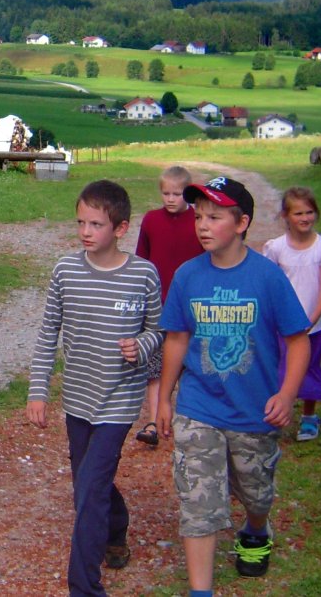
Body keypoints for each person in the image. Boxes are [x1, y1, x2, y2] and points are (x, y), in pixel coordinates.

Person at [154, 176, 311, 594]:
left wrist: (287, 393)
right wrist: (165, 397)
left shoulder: (267, 277)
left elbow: (298, 341)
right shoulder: (188, 276)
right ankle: (200, 591)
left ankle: (256, 531)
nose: (202, 225)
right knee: (199, 502)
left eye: (215, 217)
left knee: (255, 492)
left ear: (241, 223)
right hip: (198, 405)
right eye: (199, 216)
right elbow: (177, 337)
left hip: (254, 410)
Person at [25, 180, 163, 597]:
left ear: (120, 228)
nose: (86, 231)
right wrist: (38, 391)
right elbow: (49, 332)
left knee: (87, 495)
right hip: (78, 399)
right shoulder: (65, 270)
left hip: (119, 401)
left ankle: (84, 587)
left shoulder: (143, 274)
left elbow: (159, 329)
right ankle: (116, 527)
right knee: (88, 483)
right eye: (81, 222)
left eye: (96, 224)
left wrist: (140, 345)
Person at [133, 165, 205, 446]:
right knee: (154, 365)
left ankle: (188, 419)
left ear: (187, 193)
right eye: (166, 193)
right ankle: (152, 421)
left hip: (191, 305)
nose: (171, 199)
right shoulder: (151, 220)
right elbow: (142, 259)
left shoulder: (198, 221)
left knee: (190, 364)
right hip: (157, 304)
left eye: (177, 194)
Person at [261, 187, 321, 441]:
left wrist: (311, 320)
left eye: (309, 212)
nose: (305, 218)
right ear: (286, 216)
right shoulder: (275, 248)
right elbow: (269, 286)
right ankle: (275, 413)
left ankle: (308, 417)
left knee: (309, 369)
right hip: (282, 326)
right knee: (280, 370)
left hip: (314, 325)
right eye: (298, 213)